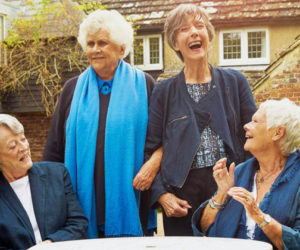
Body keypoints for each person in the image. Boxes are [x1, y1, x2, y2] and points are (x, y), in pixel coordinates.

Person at [43, 9, 159, 238]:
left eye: (103, 43)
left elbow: (161, 140)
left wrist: (153, 165)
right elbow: (54, 149)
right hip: (81, 204)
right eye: (91, 43)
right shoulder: (72, 89)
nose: (95, 49)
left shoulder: (145, 85)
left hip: (133, 201)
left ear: (122, 49)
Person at [145, 3, 257, 236]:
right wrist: (162, 196)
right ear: (175, 43)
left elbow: (254, 138)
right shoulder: (163, 92)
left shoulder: (235, 82)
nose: (195, 32)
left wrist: (247, 185)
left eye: (200, 26)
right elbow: (149, 150)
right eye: (184, 29)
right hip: (182, 199)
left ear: (208, 35)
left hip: (230, 188)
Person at [192, 98, 300, 250]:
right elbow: (204, 228)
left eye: (255, 122)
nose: (246, 126)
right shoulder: (238, 172)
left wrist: (258, 216)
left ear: (278, 132)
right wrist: (221, 194)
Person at [0, 114, 88, 249]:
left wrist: (50, 244)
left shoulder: (57, 174)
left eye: (23, 139)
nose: (24, 147)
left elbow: (78, 224)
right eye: (13, 146)